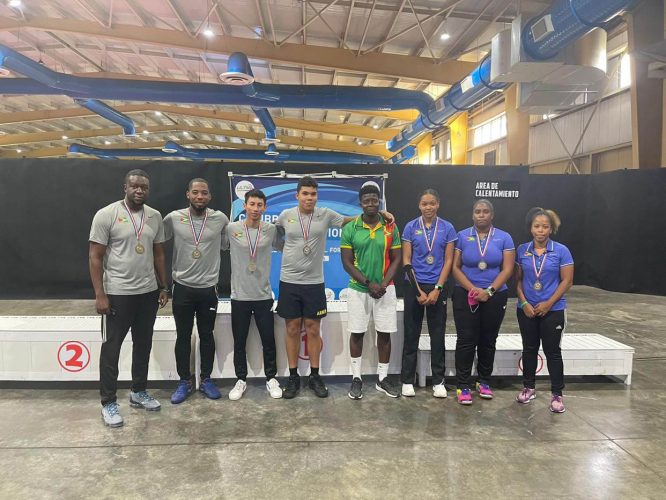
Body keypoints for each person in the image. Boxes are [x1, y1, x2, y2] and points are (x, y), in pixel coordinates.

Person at [275, 176, 392, 399]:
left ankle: (315, 376)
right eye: (305, 194)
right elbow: (276, 235)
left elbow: (351, 220)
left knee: (312, 329)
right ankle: (292, 377)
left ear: (316, 196)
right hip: (289, 281)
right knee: (291, 329)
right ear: (297, 195)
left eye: (313, 194)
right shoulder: (285, 216)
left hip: (315, 282)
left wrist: (379, 214)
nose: (309, 198)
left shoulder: (326, 214)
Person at [89, 169, 169, 428]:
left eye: (144, 187)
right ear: (125, 187)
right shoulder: (106, 214)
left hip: (147, 293)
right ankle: (108, 402)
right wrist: (100, 294)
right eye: (134, 186)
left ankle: (138, 391)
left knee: (143, 345)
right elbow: (95, 257)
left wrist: (163, 286)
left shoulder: (154, 216)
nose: (139, 190)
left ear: (148, 189)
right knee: (111, 350)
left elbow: (158, 254)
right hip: (117, 294)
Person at [163, 178, 229, 404]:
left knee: (206, 335)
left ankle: (206, 379)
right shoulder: (173, 218)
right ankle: (184, 380)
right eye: (196, 192)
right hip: (182, 287)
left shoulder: (220, 219)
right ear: (188, 194)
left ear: (210, 196)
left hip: (208, 288)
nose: (200, 196)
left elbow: (228, 245)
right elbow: (155, 242)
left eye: (204, 193)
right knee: (183, 336)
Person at [340, 184, 402, 399]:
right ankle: (356, 378)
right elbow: (347, 263)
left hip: (386, 289)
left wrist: (383, 284)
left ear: (379, 202)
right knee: (357, 333)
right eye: (366, 200)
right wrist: (369, 283)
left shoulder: (390, 227)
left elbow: (397, 260)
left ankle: (382, 379)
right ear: (360, 203)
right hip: (358, 289)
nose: (370, 204)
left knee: (384, 334)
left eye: (374, 200)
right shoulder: (351, 228)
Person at [451, 199, 515, 406]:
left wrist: (489, 291)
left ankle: (484, 381)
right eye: (477, 211)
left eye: (485, 211)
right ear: (472, 215)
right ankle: (463, 384)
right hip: (465, 294)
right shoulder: (461, 236)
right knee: (466, 339)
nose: (481, 215)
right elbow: (454, 267)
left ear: (492, 215)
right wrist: (472, 290)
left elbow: (507, 269)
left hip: (495, 295)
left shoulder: (504, 238)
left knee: (488, 339)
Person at [226, 189, 284, 400]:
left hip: (263, 296)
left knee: (268, 340)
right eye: (252, 204)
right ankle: (240, 379)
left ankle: (271, 379)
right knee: (239, 341)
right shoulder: (232, 228)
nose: (255, 209)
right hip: (239, 296)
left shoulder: (270, 230)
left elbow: (286, 245)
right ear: (245, 206)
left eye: (260, 205)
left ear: (265, 208)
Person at [515, 208, 574, 413]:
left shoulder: (561, 251)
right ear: (531, 228)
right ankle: (528, 387)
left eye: (545, 226)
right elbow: (518, 281)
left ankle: (557, 394)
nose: (541, 230)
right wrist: (524, 304)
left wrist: (548, 303)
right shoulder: (522, 250)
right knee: (529, 349)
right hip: (527, 310)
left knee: (553, 352)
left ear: (551, 229)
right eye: (537, 226)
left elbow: (567, 281)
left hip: (553, 310)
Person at [400, 189, 457, 398]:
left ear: (438, 204)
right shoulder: (410, 227)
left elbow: (449, 260)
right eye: (424, 204)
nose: (428, 207)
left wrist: (437, 289)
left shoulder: (448, 228)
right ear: (419, 206)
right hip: (414, 286)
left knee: (437, 334)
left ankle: (438, 381)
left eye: (432, 203)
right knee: (411, 333)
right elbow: (406, 260)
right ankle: (407, 380)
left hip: (437, 287)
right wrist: (417, 291)